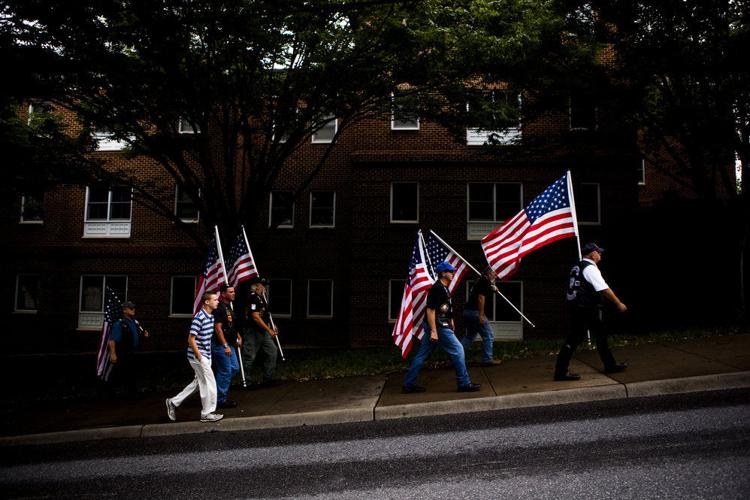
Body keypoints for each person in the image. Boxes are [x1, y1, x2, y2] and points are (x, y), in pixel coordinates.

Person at [554, 242, 628, 381]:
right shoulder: (590, 268)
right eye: (598, 252)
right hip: (585, 308)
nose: (600, 255)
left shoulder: (578, 266)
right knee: (578, 338)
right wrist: (618, 303)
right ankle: (560, 372)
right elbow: (603, 289)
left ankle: (609, 365)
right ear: (591, 254)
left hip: (576, 306)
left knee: (597, 334)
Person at [403, 262, 481, 393]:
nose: (453, 273)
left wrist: (451, 320)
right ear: (443, 273)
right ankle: (464, 383)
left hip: (440, 324)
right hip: (438, 327)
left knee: (422, 355)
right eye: (450, 271)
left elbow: (444, 308)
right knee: (458, 350)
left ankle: (408, 384)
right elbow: (430, 310)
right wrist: (434, 330)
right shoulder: (437, 288)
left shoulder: (444, 288)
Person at [165, 292, 224, 422]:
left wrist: (208, 356)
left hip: (206, 355)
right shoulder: (200, 317)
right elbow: (191, 339)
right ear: (207, 302)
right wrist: (200, 357)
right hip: (198, 357)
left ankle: (173, 402)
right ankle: (207, 414)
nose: (218, 301)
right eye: (215, 299)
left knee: (198, 383)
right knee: (209, 383)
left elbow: (207, 339)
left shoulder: (211, 316)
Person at [241, 276, 279, 387]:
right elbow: (256, 317)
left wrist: (272, 325)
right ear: (257, 286)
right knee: (249, 355)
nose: (265, 288)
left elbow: (266, 315)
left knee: (272, 351)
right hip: (253, 331)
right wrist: (269, 330)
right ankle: (247, 381)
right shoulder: (253, 298)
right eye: (263, 285)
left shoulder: (261, 298)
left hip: (263, 331)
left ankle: (268, 378)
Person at [461, 267, 502, 367]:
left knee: (470, 336)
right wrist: (481, 314)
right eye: (494, 272)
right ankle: (487, 359)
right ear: (488, 273)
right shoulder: (484, 281)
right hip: (475, 312)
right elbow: (480, 298)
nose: (496, 274)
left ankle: (455, 356)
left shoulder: (480, 281)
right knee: (488, 335)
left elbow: (482, 292)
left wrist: (493, 289)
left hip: (467, 311)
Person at [107, 301, 149, 397]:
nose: (133, 309)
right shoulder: (119, 323)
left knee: (132, 372)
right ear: (124, 310)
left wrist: (144, 334)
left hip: (133, 352)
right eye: (130, 308)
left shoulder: (134, 322)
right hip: (122, 353)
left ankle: (132, 392)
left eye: (133, 308)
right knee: (117, 373)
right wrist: (113, 354)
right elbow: (112, 340)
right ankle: (109, 392)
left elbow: (138, 332)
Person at [212, 284, 241, 408]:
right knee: (225, 372)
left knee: (234, 368)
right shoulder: (219, 308)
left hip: (230, 343)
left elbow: (230, 325)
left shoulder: (229, 307)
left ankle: (217, 389)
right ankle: (220, 400)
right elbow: (218, 329)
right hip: (220, 345)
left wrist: (238, 336)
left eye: (234, 291)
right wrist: (225, 345)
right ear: (223, 294)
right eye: (230, 292)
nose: (233, 293)